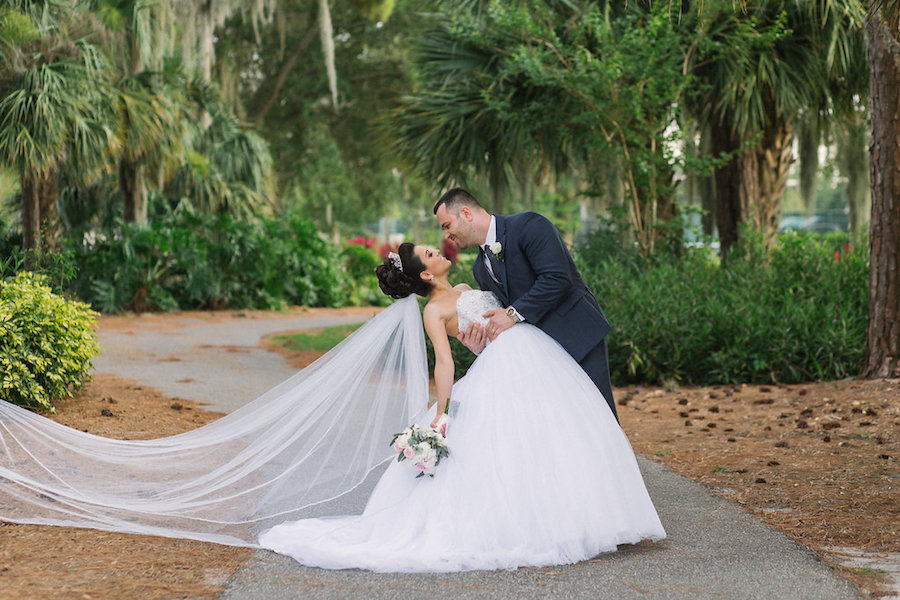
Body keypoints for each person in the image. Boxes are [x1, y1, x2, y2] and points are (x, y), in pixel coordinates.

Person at [256, 243, 665, 571]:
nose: (438, 249)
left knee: (548, 434)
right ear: (426, 275)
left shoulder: (468, 290)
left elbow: (490, 325)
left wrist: (480, 341)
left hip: (529, 352)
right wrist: (442, 411)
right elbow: (445, 362)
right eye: (431, 254)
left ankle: (581, 516)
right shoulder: (434, 311)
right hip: (504, 366)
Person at [433, 188, 619, 420]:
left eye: (447, 225)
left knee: (600, 419)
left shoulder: (529, 225)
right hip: (539, 357)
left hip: (576, 337)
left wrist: (512, 314)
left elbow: (557, 278)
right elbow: (501, 317)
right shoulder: (480, 268)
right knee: (564, 426)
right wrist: (479, 344)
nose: (447, 235)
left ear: (466, 213)